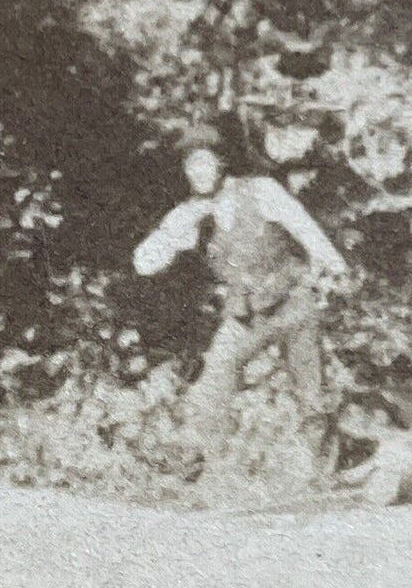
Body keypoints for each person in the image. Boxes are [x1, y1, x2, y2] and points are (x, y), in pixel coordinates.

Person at [133, 127, 349, 464]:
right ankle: (198, 462)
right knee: (217, 373)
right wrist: (176, 229)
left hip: (294, 303)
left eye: (204, 163)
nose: (198, 173)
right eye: (191, 167)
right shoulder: (192, 213)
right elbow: (144, 263)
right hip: (248, 316)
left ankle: (324, 469)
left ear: (220, 164)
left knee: (311, 392)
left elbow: (305, 228)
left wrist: (334, 266)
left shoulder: (260, 190)